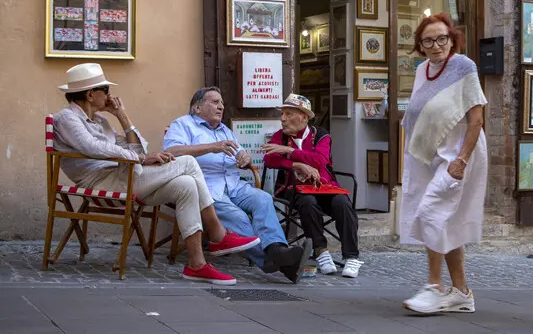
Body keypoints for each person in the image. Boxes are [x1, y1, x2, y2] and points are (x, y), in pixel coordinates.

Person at [52, 63, 260, 286]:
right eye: (106, 90)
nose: (110, 96)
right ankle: (217, 233)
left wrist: (122, 116)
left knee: (187, 184)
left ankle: (196, 265)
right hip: (99, 183)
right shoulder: (66, 118)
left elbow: (137, 150)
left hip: (123, 176)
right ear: (91, 94)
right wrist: (141, 159)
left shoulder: (101, 121)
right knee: (188, 162)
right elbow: (92, 147)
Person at [163, 87, 312, 284]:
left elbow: (240, 154)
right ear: (197, 108)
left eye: (222, 103)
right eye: (215, 102)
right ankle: (275, 260)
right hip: (205, 186)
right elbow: (172, 151)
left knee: (263, 199)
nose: (221, 106)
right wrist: (211, 147)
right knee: (238, 216)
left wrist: (244, 156)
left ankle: (277, 249)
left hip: (234, 184)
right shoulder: (183, 124)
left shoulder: (224, 130)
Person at [400, 13, 488, 314]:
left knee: (431, 212)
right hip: (431, 155)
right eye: (428, 40)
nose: (436, 45)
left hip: (458, 153)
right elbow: (419, 116)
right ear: (420, 45)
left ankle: (435, 286)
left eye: (441, 39)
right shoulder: (422, 70)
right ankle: (462, 293)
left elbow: (476, 119)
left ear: (452, 39)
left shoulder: (464, 66)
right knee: (444, 222)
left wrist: (463, 159)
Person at [262, 94, 363, 278]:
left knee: (342, 202)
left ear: (304, 117)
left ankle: (351, 256)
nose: (283, 119)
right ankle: (321, 251)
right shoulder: (280, 136)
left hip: (324, 187)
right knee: (307, 202)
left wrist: (290, 152)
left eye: (289, 114)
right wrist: (297, 164)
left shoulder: (321, 135)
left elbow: (320, 160)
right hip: (292, 189)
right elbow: (269, 158)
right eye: (282, 114)